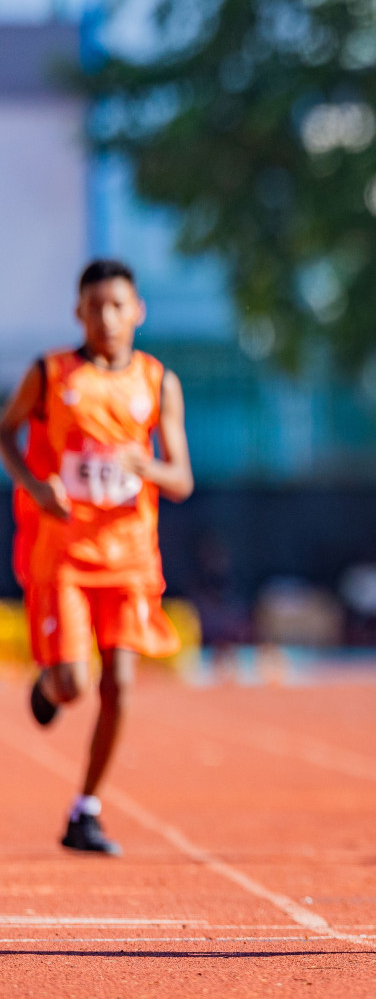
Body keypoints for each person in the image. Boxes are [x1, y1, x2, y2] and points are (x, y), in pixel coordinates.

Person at [0, 259, 194, 855]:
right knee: (75, 684)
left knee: (122, 685)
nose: (107, 318)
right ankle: (50, 686)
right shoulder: (51, 374)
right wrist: (36, 488)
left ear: (137, 311)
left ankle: (85, 809)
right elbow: (6, 433)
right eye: (95, 307)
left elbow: (182, 478)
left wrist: (148, 466)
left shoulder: (159, 382)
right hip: (66, 550)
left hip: (131, 555)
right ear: (78, 313)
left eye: (118, 306)